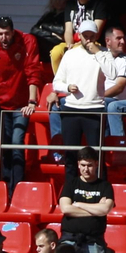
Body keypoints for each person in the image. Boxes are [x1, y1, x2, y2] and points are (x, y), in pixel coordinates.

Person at [0, 16, 43, 188]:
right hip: (0, 104)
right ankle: (5, 186)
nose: (4, 38)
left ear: (12, 31)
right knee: (4, 145)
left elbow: (33, 70)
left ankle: (18, 186)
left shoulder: (27, 41)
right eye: (0, 34)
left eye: (7, 34)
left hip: (21, 103)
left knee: (17, 141)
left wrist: (32, 101)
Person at [48, 22, 108, 157]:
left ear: (96, 36)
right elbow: (56, 83)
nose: (88, 40)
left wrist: (98, 53)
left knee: (96, 157)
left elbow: (112, 74)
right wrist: (67, 88)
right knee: (70, 156)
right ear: (79, 35)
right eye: (85, 36)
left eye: (91, 36)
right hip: (71, 109)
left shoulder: (104, 53)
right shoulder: (70, 55)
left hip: (95, 109)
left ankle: (99, 179)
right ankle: (70, 179)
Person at [58, 147, 113, 253]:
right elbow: (65, 209)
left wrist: (79, 204)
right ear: (78, 164)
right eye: (83, 165)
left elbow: (106, 210)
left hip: (94, 243)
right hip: (70, 242)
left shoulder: (105, 186)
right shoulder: (71, 184)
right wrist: (96, 209)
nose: (86, 169)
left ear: (96, 164)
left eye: (89, 165)